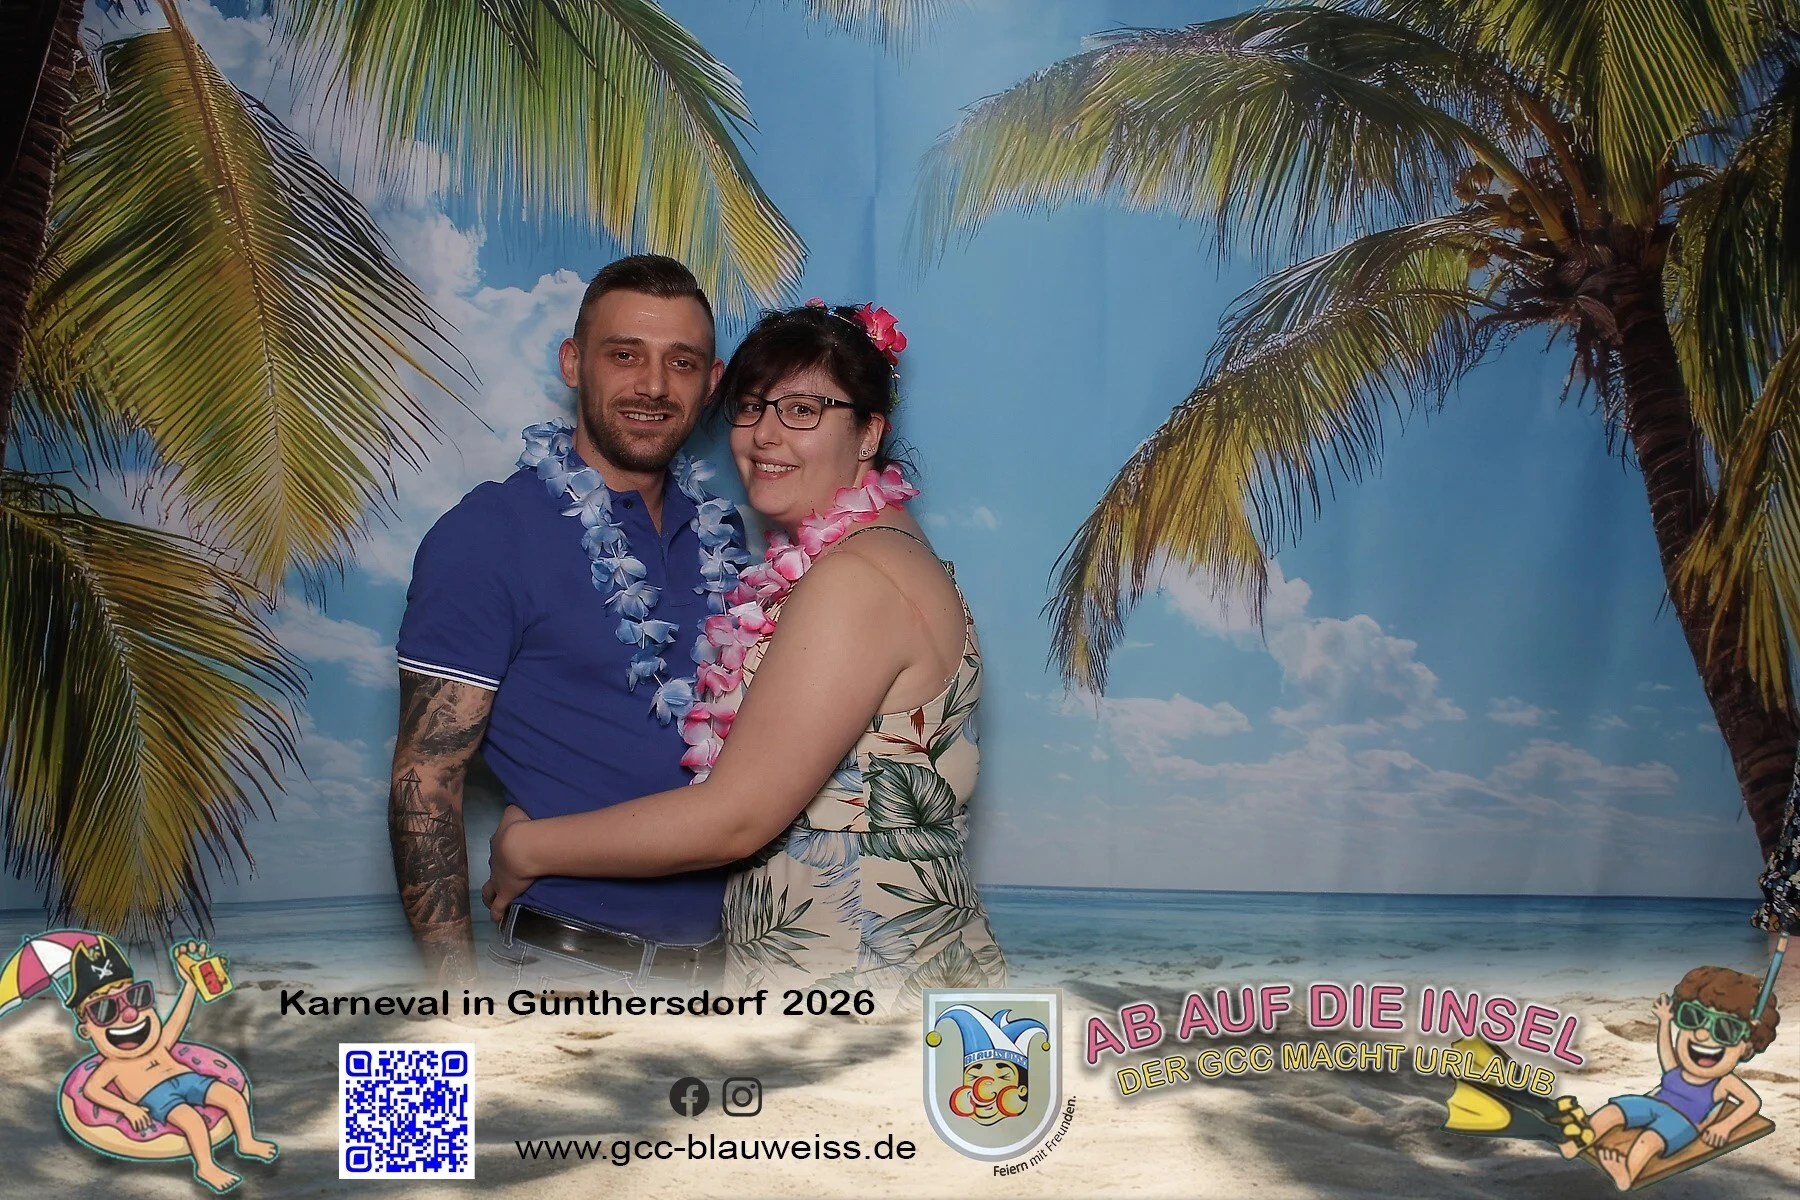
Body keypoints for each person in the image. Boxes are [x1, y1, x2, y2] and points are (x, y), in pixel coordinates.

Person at [483, 301, 1007, 1010]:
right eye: (752, 405)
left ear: (868, 433)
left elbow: (736, 818)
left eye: (803, 410)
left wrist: (529, 849)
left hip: (861, 991)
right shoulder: (884, 555)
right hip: (885, 980)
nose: (763, 433)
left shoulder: (855, 579)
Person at [390, 254, 746, 988]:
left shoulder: (724, 538)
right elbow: (426, 778)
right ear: (573, 363)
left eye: (681, 362)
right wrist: (458, 1001)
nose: (654, 386)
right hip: (570, 971)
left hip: (724, 972)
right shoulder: (489, 533)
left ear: (711, 383)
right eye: (625, 355)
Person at [65, 937, 278, 1193]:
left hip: (189, 1078)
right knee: (192, 1121)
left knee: (232, 1097)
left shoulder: (159, 1043)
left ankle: (247, 1141)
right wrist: (128, 1108)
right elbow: (92, 1090)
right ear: (86, 1030)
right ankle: (206, 1167)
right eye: (104, 1010)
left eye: (136, 996)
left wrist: (190, 984)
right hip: (157, 1095)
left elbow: (179, 1019)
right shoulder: (112, 1065)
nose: (129, 1014)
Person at [1559, 965, 1778, 1189]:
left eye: (1725, 1030)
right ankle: (1577, 1143)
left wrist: (1724, 1126)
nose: (1702, 1034)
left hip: (1683, 1121)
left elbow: (1752, 1102)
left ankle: (1627, 1173)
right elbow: (1666, 1051)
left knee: (1649, 1140)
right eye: (1692, 1017)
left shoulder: (1723, 1083)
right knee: (1611, 1112)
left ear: (1746, 1048)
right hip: (1653, 1104)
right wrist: (1665, 1021)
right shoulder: (1677, 1069)